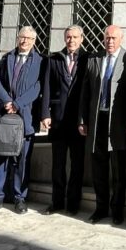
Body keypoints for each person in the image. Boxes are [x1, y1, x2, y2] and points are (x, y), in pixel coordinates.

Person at [79, 24, 126, 225]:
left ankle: (117, 210)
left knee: (118, 171)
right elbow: (85, 92)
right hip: (98, 121)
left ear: (121, 39)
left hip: (119, 122)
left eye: (114, 38)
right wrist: (83, 120)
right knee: (99, 168)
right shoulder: (95, 59)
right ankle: (101, 208)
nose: (110, 41)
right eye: (107, 38)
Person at [0, 26, 43, 214]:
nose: (24, 41)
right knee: (2, 157)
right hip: (6, 116)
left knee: (22, 160)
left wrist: (18, 103)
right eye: (21, 37)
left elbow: (38, 87)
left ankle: (20, 198)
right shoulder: (7, 58)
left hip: (26, 117)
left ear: (34, 41)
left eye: (28, 38)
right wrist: (7, 101)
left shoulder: (41, 61)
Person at [40, 24, 88, 215]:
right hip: (58, 121)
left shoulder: (88, 59)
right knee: (58, 165)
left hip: (78, 122)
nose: (72, 40)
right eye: (69, 37)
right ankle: (57, 201)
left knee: (77, 165)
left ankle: (73, 202)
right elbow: (47, 88)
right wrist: (45, 113)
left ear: (82, 39)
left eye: (75, 37)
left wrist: (86, 118)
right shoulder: (54, 59)